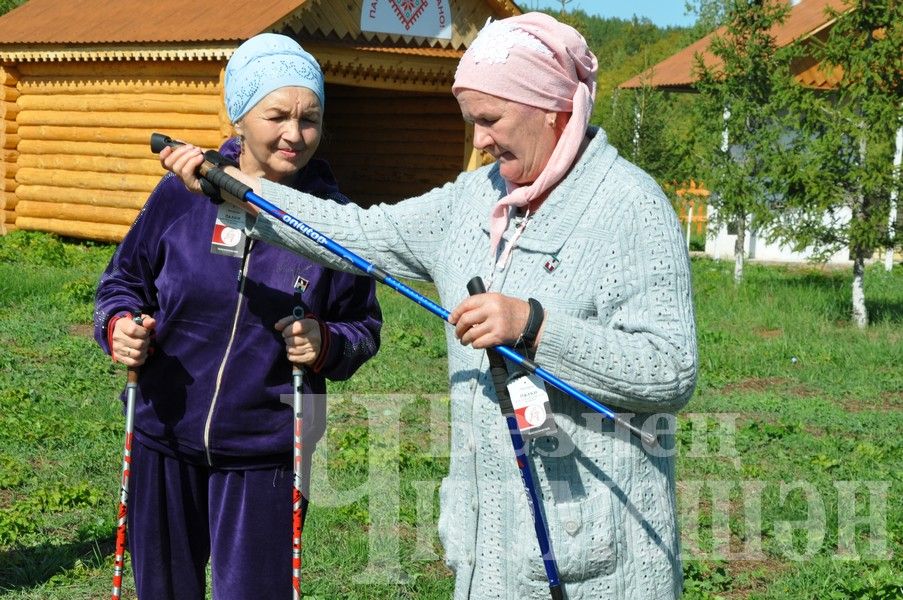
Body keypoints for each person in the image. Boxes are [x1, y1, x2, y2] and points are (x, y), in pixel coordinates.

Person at [162, 13, 697, 599]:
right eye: (471, 123)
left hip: (597, 553)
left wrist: (533, 326)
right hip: (489, 549)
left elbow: (669, 368)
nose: (480, 142)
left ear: (552, 107)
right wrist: (239, 188)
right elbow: (353, 233)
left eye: (490, 120)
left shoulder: (629, 207)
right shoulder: (474, 198)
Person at [94, 33, 381, 600]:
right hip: (163, 429)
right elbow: (123, 281)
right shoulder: (183, 194)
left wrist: (326, 342)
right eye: (278, 116)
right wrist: (119, 326)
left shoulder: (334, 221)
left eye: (309, 120)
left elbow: (363, 327)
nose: (294, 136)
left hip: (267, 448)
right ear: (240, 116)